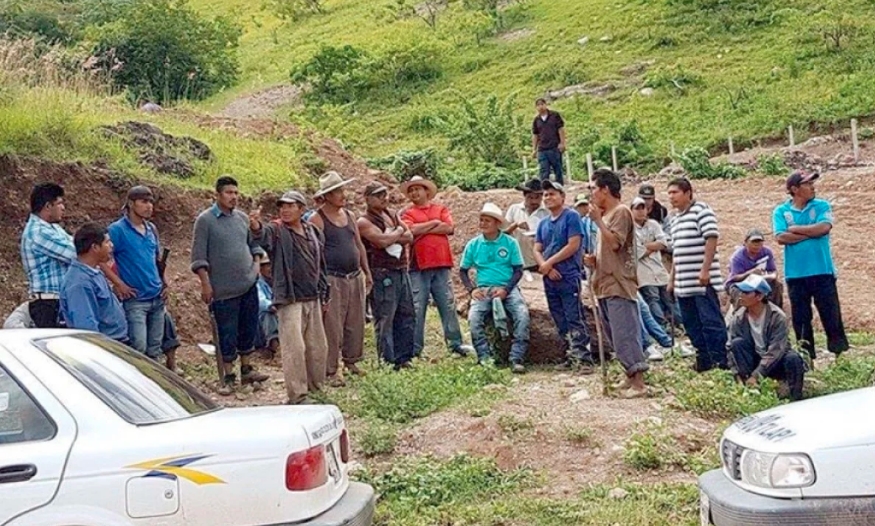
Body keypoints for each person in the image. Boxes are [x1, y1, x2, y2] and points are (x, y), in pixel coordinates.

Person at [191, 176, 269, 395]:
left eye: (236, 193)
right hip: (223, 289)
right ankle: (228, 376)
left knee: (248, 328)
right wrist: (206, 284)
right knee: (227, 333)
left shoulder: (242, 218)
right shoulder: (205, 221)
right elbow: (198, 257)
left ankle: (247, 369)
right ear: (217, 195)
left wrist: (255, 266)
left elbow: (254, 244)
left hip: (247, 284)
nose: (233, 197)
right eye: (228, 193)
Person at [251, 191, 330, 405]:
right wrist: (256, 225)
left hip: (313, 296)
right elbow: (262, 235)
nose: (285, 210)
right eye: (282, 206)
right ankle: (298, 395)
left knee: (317, 347)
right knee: (294, 348)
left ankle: (316, 388)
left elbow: (320, 263)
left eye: (290, 206)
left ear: (301, 209)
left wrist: (325, 293)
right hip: (290, 298)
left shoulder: (312, 231)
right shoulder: (277, 231)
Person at [584, 169, 648, 397]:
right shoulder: (606, 216)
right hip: (604, 283)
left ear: (605, 190)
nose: (590, 193)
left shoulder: (620, 213)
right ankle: (629, 375)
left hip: (619, 283)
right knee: (614, 334)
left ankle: (639, 383)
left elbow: (615, 244)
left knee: (625, 333)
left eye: (593, 188)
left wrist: (599, 222)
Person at [774, 171, 848, 360]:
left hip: (822, 270)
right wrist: (811, 232)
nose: (813, 187)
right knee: (801, 318)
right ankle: (807, 357)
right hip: (796, 274)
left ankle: (839, 353)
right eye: (807, 184)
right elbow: (781, 237)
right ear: (794, 189)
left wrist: (796, 230)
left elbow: (824, 228)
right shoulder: (781, 211)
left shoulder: (821, 205)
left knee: (831, 313)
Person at [308, 172, 372, 385]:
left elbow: (358, 244)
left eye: (342, 190)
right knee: (332, 324)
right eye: (337, 192)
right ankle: (332, 369)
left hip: (353, 276)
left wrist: (366, 271)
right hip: (332, 278)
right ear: (327, 195)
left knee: (355, 320)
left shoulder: (350, 216)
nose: (342, 195)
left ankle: (351, 360)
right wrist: (320, 281)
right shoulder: (316, 219)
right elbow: (314, 253)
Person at [401, 176, 474, 358]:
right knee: (418, 307)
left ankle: (455, 343)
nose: (414, 193)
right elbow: (410, 231)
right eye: (411, 190)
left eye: (417, 189)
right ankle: (414, 349)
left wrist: (424, 227)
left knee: (447, 303)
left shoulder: (441, 208)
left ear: (427, 191)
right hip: (418, 265)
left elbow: (449, 228)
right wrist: (434, 223)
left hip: (441, 263)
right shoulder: (407, 213)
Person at [667, 178, 728, 372]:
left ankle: (720, 361)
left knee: (710, 321)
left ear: (688, 192)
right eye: (669, 193)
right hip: (684, 283)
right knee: (691, 324)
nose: (671, 197)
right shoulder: (674, 219)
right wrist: (672, 279)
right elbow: (676, 252)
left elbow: (711, 238)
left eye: (675, 192)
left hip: (702, 281)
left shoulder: (702, 211)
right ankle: (704, 360)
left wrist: (705, 270)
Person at [460, 203, 529, 372]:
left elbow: (518, 270)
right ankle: (484, 358)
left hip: (507, 288)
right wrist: (472, 289)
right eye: (481, 220)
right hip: (484, 289)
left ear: (497, 223)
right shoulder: (473, 244)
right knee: (474, 319)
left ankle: (516, 358)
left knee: (522, 315)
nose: (483, 223)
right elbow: (463, 271)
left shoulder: (510, 243)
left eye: (487, 221)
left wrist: (506, 289)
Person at [534, 180, 594, 373]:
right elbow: (537, 247)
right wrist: (545, 265)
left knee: (574, 315)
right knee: (558, 317)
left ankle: (584, 358)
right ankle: (570, 354)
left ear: (562, 197)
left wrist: (548, 262)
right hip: (549, 277)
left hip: (568, 275)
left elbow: (573, 245)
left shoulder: (572, 217)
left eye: (552, 194)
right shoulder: (543, 223)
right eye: (545, 195)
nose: (548, 197)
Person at [102, 186, 166, 360]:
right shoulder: (117, 230)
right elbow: (101, 259)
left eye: (151, 202)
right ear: (131, 203)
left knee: (155, 349)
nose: (149, 206)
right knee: (138, 349)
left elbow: (156, 260)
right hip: (135, 300)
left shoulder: (151, 229)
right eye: (144, 202)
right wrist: (118, 283)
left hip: (156, 297)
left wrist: (164, 283)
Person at [357, 182, 416, 371]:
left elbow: (409, 237)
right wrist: (398, 231)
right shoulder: (364, 221)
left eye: (385, 193)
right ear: (367, 199)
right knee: (385, 318)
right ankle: (387, 361)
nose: (384, 197)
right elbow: (381, 241)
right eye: (378, 195)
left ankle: (403, 358)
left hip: (400, 270)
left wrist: (395, 233)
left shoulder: (392, 214)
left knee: (406, 314)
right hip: (382, 273)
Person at [727, 274, 805, 401]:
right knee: (737, 343)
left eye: (746, 292)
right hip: (754, 360)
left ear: (760, 296)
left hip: (776, 362)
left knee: (793, 358)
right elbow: (730, 348)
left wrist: (757, 374)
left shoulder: (777, 317)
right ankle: (748, 385)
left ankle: (795, 397)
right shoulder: (738, 318)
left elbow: (776, 351)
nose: (741, 295)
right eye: (741, 291)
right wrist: (737, 375)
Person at [60, 223, 128, 342]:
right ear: (95, 247)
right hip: (106, 348)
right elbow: (87, 328)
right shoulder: (79, 283)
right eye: (107, 242)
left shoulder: (93, 272)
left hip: (117, 343)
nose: (111, 246)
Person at [20, 183, 75, 328]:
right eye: (60, 203)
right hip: (48, 304)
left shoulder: (53, 228)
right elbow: (76, 253)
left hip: (58, 301)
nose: (63, 207)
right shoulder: (38, 232)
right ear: (47, 206)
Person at [631, 197, 674, 330]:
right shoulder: (630, 229)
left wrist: (646, 246)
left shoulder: (653, 224)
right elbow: (637, 253)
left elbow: (664, 243)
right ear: (631, 210)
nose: (640, 211)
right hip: (643, 271)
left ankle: (680, 323)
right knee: (652, 297)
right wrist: (654, 246)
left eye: (642, 208)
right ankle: (662, 326)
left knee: (669, 297)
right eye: (637, 208)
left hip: (658, 267)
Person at [725, 228, 783, 311]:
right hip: (739, 283)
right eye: (753, 242)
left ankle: (774, 313)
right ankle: (740, 317)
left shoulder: (767, 252)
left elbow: (773, 270)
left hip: (760, 280)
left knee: (777, 285)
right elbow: (734, 277)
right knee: (740, 294)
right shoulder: (738, 257)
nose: (757, 245)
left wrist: (771, 276)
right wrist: (750, 273)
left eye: (759, 242)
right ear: (745, 243)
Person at [504, 179, 549, 271]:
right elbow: (503, 234)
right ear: (524, 196)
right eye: (530, 197)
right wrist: (515, 225)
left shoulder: (547, 212)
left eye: (537, 198)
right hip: (517, 261)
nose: (534, 201)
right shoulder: (514, 209)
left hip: (540, 262)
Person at [532, 98, 567, 184]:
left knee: (558, 170)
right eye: (538, 105)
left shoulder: (555, 115)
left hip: (554, 147)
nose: (540, 107)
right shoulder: (536, 120)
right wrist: (534, 149)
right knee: (544, 171)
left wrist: (562, 143)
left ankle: (559, 190)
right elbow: (535, 135)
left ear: (546, 105)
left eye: (542, 104)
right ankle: (544, 191)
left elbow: (561, 129)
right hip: (542, 149)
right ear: (536, 107)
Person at [255, 257, 279, 357]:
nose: (270, 269)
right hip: (260, 321)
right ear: (261, 268)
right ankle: (271, 343)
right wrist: (271, 306)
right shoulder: (257, 283)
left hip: (279, 315)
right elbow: (260, 301)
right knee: (268, 314)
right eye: (267, 266)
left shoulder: (277, 282)